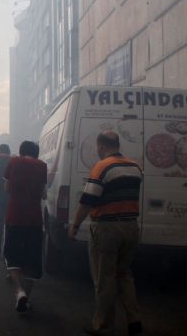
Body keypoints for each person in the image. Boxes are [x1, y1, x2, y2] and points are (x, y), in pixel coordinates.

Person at [68, 131, 143, 336]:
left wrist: (74, 226)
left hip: (108, 229)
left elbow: (88, 201)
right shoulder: (135, 167)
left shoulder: (101, 167)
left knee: (104, 278)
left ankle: (102, 325)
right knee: (124, 275)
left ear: (100, 146)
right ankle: (134, 321)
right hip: (131, 227)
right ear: (118, 144)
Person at [3, 141, 47, 313]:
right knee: (33, 258)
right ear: (36, 153)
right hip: (34, 219)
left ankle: (19, 291)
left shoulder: (14, 162)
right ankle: (25, 298)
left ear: (21, 152)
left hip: (14, 216)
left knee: (12, 255)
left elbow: (7, 188)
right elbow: (43, 192)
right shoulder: (42, 166)